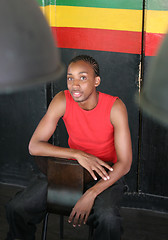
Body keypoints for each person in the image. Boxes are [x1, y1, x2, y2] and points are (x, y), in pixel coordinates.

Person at [6, 55, 132, 240]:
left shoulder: (115, 107)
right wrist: (77, 154)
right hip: (70, 168)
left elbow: (125, 163)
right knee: (17, 207)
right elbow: (34, 145)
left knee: (108, 219)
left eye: (82, 77)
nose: (74, 84)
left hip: (105, 171)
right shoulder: (62, 100)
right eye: (70, 78)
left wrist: (91, 193)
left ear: (96, 81)